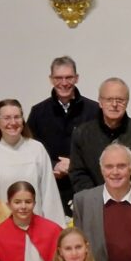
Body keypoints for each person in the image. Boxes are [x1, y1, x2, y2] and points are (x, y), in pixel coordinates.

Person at [27, 56, 100, 216]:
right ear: (51, 79)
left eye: (69, 77)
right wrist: (54, 165)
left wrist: (74, 164)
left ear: (77, 78)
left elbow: (101, 150)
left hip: (86, 187)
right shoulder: (38, 113)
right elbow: (30, 151)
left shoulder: (94, 110)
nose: (64, 83)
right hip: (51, 189)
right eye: (58, 78)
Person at [0, 98, 65, 223]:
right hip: (3, 226)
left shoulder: (37, 149)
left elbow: (49, 193)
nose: (13, 122)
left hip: (36, 226)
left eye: (17, 117)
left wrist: (56, 231)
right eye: (7, 118)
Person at [69, 77, 131, 191]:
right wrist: (100, 197)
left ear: (127, 102)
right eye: (109, 99)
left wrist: (124, 196)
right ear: (100, 102)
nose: (114, 104)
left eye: (120, 100)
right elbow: (78, 173)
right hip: (94, 203)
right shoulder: (82, 134)